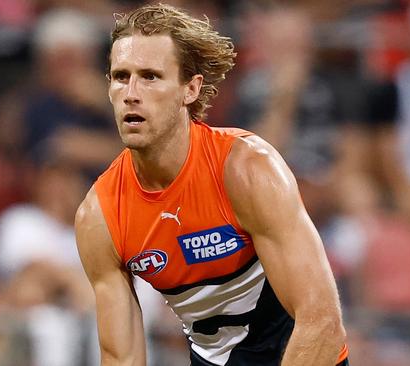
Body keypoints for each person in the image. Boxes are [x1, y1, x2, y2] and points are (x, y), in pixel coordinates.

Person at [74, 4, 348, 366]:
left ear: (190, 88)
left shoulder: (247, 170)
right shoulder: (100, 216)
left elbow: (321, 323)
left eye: (151, 76)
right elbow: (121, 358)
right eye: (121, 76)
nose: (131, 92)